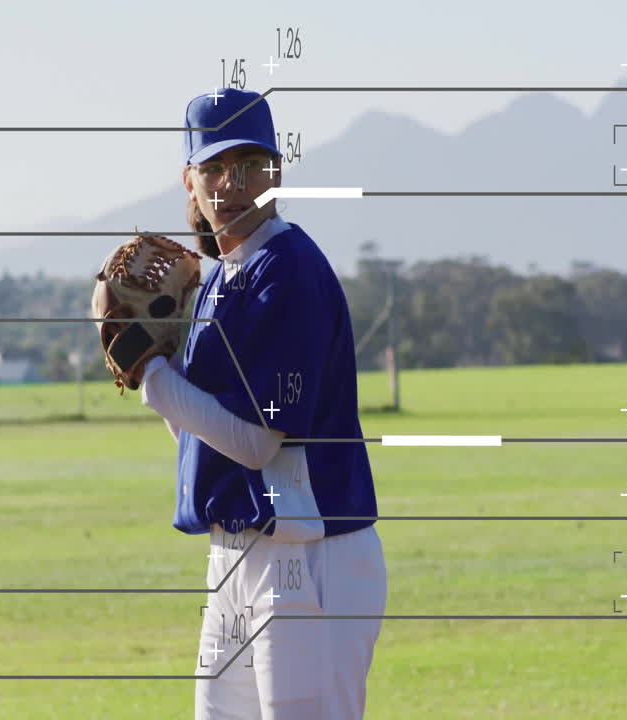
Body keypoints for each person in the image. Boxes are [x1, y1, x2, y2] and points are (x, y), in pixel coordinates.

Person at [136, 87, 387, 719]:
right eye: (215, 167)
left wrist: (152, 375)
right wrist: (163, 382)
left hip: (310, 553)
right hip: (236, 554)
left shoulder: (288, 268)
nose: (232, 184)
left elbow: (257, 440)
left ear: (275, 173)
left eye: (250, 165)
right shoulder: (218, 275)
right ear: (188, 181)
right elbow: (205, 439)